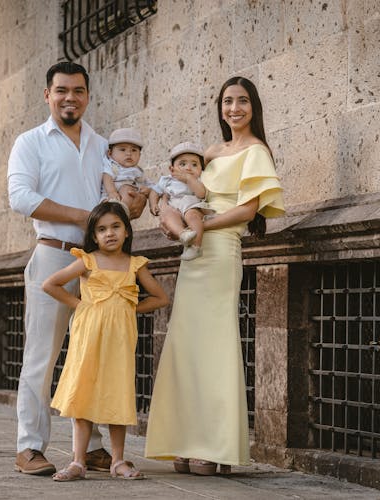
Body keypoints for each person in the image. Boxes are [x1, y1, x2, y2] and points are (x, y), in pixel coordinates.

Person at [7, 61, 146, 476]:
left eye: (78, 91)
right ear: (47, 95)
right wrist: (84, 217)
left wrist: (131, 204)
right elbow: (21, 197)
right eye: (62, 90)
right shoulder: (30, 142)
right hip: (53, 255)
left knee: (96, 354)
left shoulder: (103, 145)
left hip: (98, 264)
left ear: (87, 96)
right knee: (42, 356)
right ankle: (29, 447)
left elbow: (119, 201)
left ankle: (97, 447)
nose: (70, 97)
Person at [144, 76, 285, 475]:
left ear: (253, 107)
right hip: (193, 252)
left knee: (215, 343)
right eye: (227, 101)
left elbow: (248, 209)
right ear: (220, 107)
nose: (234, 108)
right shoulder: (208, 152)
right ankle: (183, 441)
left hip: (221, 250)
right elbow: (185, 191)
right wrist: (167, 213)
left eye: (242, 101)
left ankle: (214, 445)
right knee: (185, 343)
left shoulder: (257, 151)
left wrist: (204, 224)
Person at [42, 201, 169, 481]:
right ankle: (78, 461)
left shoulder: (135, 265)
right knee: (84, 390)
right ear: (94, 235)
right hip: (88, 336)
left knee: (117, 390)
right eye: (101, 229)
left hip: (120, 340)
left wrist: (127, 306)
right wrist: (80, 304)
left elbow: (161, 297)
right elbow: (50, 284)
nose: (109, 233)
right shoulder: (87, 260)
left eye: (115, 226)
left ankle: (118, 461)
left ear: (126, 231)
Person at [149, 142, 213, 261]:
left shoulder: (198, 180)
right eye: (182, 164)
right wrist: (153, 204)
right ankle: (183, 234)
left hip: (191, 205)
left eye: (194, 164)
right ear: (171, 169)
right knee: (168, 216)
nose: (188, 168)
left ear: (200, 170)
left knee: (193, 216)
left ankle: (196, 247)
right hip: (174, 207)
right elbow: (154, 191)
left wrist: (189, 179)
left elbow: (201, 193)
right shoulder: (166, 180)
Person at [101, 128, 154, 217]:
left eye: (134, 150)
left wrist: (148, 191)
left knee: (129, 190)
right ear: (110, 153)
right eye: (122, 149)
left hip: (128, 204)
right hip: (110, 198)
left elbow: (151, 185)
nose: (129, 153)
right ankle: (117, 212)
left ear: (139, 155)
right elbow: (107, 176)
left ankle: (121, 214)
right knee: (126, 189)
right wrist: (112, 192)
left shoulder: (138, 171)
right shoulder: (112, 165)